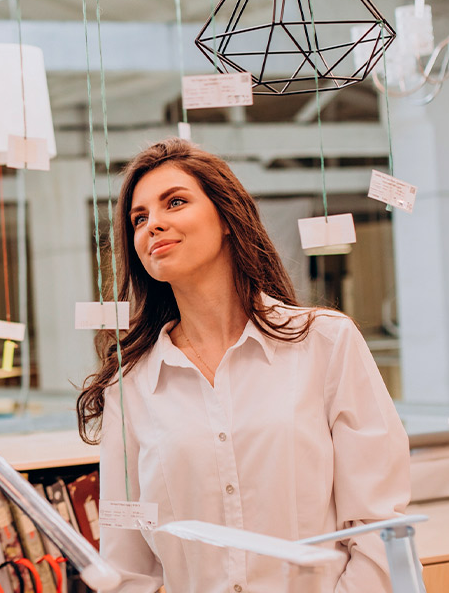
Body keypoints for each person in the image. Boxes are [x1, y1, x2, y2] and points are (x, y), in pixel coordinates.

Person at [76, 138, 410, 593]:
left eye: (175, 202)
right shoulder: (129, 387)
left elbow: (379, 522)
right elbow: (128, 563)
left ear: (228, 217)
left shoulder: (325, 343)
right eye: (139, 218)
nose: (154, 224)